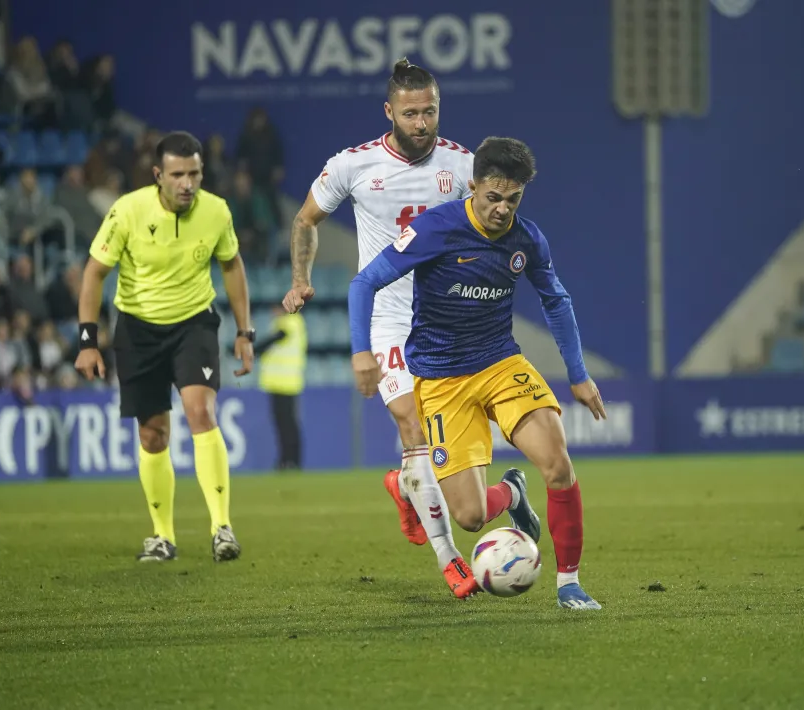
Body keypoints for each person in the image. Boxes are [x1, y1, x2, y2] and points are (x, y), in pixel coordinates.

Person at [345, 137, 606, 610]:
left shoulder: (527, 239)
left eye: (513, 199)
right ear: (473, 186)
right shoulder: (434, 230)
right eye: (493, 197)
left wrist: (579, 374)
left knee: (559, 464)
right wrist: (362, 351)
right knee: (467, 516)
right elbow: (365, 282)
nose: (503, 209)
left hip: (500, 364)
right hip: (441, 380)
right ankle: (510, 492)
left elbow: (556, 300)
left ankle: (570, 584)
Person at [282, 59, 476, 597]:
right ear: (389, 111)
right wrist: (301, 278)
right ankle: (449, 560)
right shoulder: (354, 165)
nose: (421, 122)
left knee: (451, 458)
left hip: (447, 321)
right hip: (388, 319)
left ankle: (407, 486)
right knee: (411, 426)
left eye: (430, 111)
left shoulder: (464, 167)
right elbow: (305, 219)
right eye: (410, 112)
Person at [75, 131, 255, 563]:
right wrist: (87, 340)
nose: (187, 183)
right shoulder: (127, 211)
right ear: (158, 175)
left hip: (194, 323)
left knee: (201, 411)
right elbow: (94, 273)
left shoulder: (216, 212)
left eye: (194, 173)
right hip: (138, 329)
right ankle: (161, 536)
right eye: (177, 174)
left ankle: (221, 529)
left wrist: (245, 332)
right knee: (152, 433)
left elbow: (231, 265)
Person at [255, 305, 307, 470]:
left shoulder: (290, 322)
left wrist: (252, 349)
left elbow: (276, 338)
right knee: (284, 425)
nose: (273, 313)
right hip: (280, 383)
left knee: (287, 425)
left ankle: (291, 461)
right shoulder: (288, 323)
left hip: (286, 383)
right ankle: (287, 460)